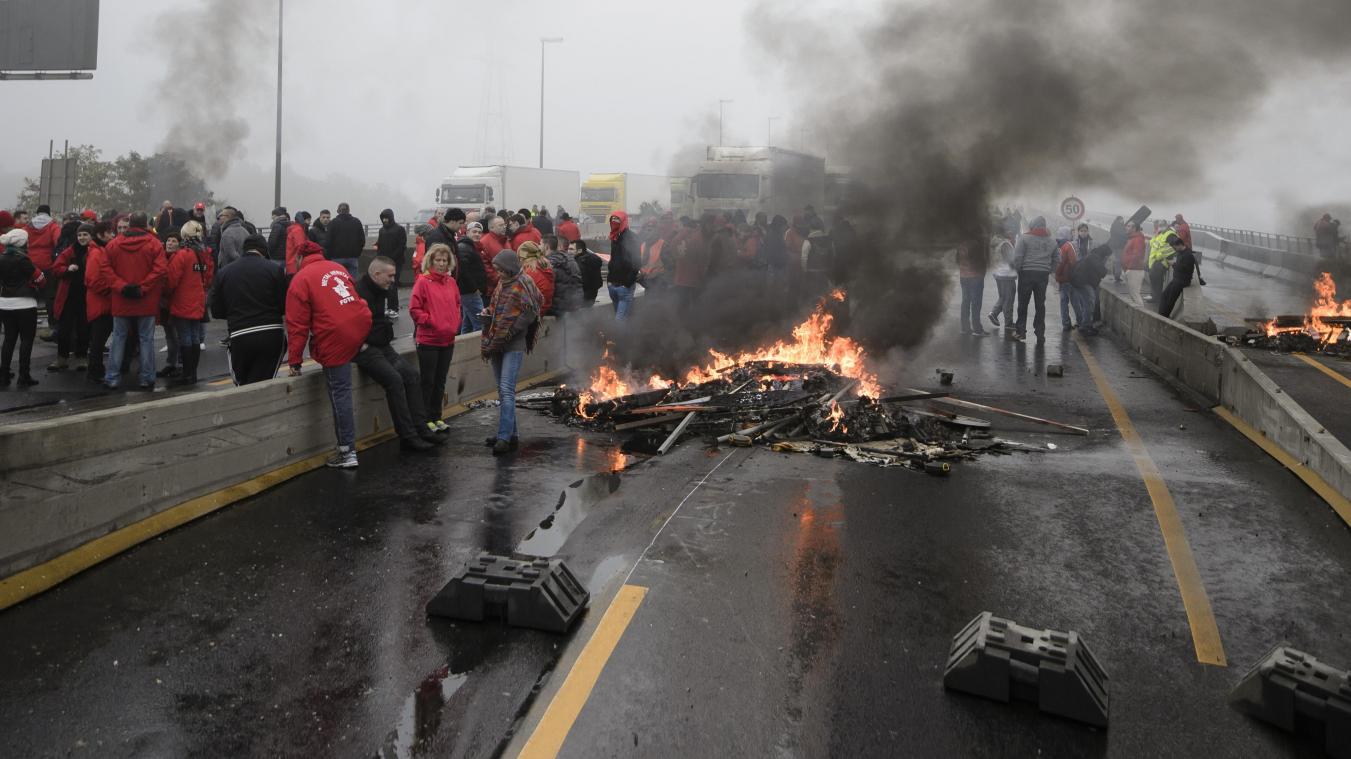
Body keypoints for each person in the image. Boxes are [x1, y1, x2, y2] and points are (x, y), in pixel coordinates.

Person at [286, 239, 372, 469]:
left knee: (339, 392)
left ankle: (347, 451)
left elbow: (297, 325)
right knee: (348, 357)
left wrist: (294, 361)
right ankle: (359, 347)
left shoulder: (300, 280)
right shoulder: (338, 267)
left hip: (335, 335)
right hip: (360, 324)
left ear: (299, 258)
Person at [355, 256, 443, 450]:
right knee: (394, 380)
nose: (393, 280)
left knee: (412, 376)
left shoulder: (381, 289)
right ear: (376, 274)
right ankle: (408, 436)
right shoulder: (359, 292)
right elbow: (347, 322)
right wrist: (360, 344)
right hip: (366, 348)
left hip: (382, 345)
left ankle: (422, 428)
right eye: (391, 276)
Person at [481, 250, 542, 455]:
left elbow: (531, 310)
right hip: (497, 340)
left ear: (509, 267)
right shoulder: (502, 283)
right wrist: (488, 314)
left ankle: (504, 437)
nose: (498, 273)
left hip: (513, 343)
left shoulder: (523, 283)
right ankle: (510, 434)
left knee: (507, 390)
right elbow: (495, 307)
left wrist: (512, 329)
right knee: (501, 390)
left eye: (500, 269)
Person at [210, 235, 289, 385]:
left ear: (243, 250)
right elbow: (285, 304)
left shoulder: (224, 272)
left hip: (240, 333)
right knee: (264, 383)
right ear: (264, 250)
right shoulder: (274, 269)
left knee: (242, 385)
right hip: (271, 332)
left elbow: (216, 310)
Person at [102, 212, 168, 390]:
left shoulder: (114, 244)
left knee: (118, 338)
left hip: (121, 300)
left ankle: (112, 377)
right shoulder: (154, 244)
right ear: (146, 224)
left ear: (130, 224)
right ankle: (147, 377)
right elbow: (160, 269)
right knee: (146, 339)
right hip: (145, 300)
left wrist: (122, 286)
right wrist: (142, 287)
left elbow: (105, 269)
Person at [409, 244, 461, 432]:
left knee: (440, 381)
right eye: (437, 260)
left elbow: (457, 305)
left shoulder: (451, 282)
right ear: (430, 261)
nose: (441, 264)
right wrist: (430, 321)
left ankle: (436, 416)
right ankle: (424, 419)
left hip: (447, 339)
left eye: (444, 260)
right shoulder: (423, 282)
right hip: (429, 339)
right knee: (428, 381)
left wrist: (455, 322)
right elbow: (414, 309)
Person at [163, 225, 214, 386]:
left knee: (184, 337)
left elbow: (171, 280)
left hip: (182, 301)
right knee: (194, 337)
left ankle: (187, 374)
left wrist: (165, 293)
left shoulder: (183, 255)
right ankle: (193, 373)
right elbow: (209, 277)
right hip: (198, 301)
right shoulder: (205, 254)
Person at [48, 222, 97, 372]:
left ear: (91, 236)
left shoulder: (95, 251)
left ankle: (82, 358)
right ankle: (61, 358)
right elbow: (55, 268)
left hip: (87, 296)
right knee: (64, 329)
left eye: (85, 235)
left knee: (84, 329)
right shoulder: (70, 251)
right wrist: (67, 269)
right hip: (68, 296)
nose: (82, 238)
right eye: (80, 235)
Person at [0, 228, 44, 387]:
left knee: (9, 339)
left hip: (5, 303)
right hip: (25, 304)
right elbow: (39, 278)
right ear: (23, 242)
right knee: (26, 340)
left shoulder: (1, 258)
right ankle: (24, 376)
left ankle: (3, 374)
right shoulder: (23, 259)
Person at [1011, 215, 1057, 343]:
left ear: (1032, 225)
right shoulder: (1052, 241)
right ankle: (1040, 334)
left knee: (1023, 304)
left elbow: (1018, 258)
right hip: (1042, 275)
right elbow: (1057, 259)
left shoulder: (1024, 238)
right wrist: (1049, 269)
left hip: (1026, 274)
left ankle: (1020, 332)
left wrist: (1018, 270)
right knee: (1040, 305)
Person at [83, 222, 115, 383]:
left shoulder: (99, 250)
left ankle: (96, 369)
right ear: (100, 235)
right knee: (98, 339)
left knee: (99, 339)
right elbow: (93, 279)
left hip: (101, 302)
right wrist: (111, 291)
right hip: (101, 303)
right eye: (109, 233)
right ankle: (95, 370)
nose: (112, 235)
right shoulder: (96, 253)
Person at [455, 219, 489, 332]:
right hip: (470, 292)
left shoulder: (469, 246)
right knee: (480, 324)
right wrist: (474, 289)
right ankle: (476, 349)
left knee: (468, 323)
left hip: (468, 292)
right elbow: (463, 271)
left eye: (479, 232)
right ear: (467, 232)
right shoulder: (464, 247)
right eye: (474, 232)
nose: (477, 234)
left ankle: (463, 346)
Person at [1069, 244, 1110, 336]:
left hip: (1080, 281)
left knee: (1087, 302)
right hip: (1082, 282)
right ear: (1105, 254)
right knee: (1089, 303)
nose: (1107, 259)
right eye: (1107, 256)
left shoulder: (1093, 255)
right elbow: (1102, 272)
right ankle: (1085, 326)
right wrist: (1105, 268)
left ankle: (1085, 323)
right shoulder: (1095, 258)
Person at [1158, 234, 1201, 319]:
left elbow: (1186, 269)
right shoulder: (1180, 253)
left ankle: (1164, 317)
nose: (1174, 249)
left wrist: (1174, 264)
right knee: (1164, 295)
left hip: (1182, 281)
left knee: (1171, 300)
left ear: (1180, 245)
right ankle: (1161, 314)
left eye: (1175, 247)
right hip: (1177, 279)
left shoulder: (1188, 255)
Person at [606, 211, 640, 319]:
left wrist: (627, 283)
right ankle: (624, 335)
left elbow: (637, 262)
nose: (614, 222)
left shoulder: (631, 238)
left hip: (624, 286)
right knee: (620, 318)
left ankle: (621, 336)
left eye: (617, 220)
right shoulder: (614, 237)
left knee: (620, 320)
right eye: (612, 219)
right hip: (613, 284)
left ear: (623, 221)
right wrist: (609, 281)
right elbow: (613, 259)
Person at [987, 221, 1017, 334]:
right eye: (1009, 231)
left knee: (1003, 297)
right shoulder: (1005, 244)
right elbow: (1011, 260)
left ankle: (994, 314)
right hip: (1006, 274)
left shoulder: (997, 242)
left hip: (999, 273)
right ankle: (1008, 323)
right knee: (1008, 299)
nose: (1011, 233)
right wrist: (1020, 267)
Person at [375, 209, 408, 306]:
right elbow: (379, 245)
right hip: (384, 262)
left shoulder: (399, 229)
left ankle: (393, 307)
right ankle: (389, 307)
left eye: (386, 218)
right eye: (383, 218)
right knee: (385, 285)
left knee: (392, 285)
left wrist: (392, 258)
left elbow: (401, 246)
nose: (385, 220)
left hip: (396, 262)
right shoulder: (381, 230)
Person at [956, 237, 988, 336]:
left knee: (965, 301)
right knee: (976, 303)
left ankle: (965, 328)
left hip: (964, 276)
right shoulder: (977, 244)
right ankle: (977, 329)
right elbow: (982, 261)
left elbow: (957, 260)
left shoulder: (961, 244)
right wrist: (982, 273)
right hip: (976, 277)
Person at [544, 234, 583, 315]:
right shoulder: (570, 260)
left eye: (540, 244)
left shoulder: (551, 262)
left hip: (560, 307)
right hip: (575, 303)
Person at [325, 202, 365, 279]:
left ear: (338, 211)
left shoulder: (333, 223)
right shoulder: (357, 222)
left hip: (336, 258)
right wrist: (357, 254)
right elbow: (362, 241)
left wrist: (331, 255)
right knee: (352, 282)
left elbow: (328, 242)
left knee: (338, 282)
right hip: (353, 257)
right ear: (349, 210)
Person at [518, 241, 555, 314]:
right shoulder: (544, 266)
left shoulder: (530, 272)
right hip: (544, 307)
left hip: (534, 312)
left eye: (519, 257)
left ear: (523, 258)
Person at [1053, 225, 1077, 330]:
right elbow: (1073, 262)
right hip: (1068, 278)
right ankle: (1079, 321)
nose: (1072, 235)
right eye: (1070, 233)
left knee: (1063, 302)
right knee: (1075, 301)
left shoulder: (1058, 246)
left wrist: (1057, 274)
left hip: (1062, 278)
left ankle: (1066, 323)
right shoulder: (1068, 246)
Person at [1120, 220, 1148, 307]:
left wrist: (1129, 268)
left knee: (1135, 295)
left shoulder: (1138, 239)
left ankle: (1142, 315)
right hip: (1130, 269)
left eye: (1128, 226)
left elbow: (1137, 255)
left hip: (1134, 270)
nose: (1126, 227)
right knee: (1132, 295)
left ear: (1134, 228)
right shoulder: (1132, 238)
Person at [1147, 220, 1176, 304]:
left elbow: (1172, 248)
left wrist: (1160, 256)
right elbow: (1152, 243)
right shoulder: (1161, 233)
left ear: (1166, 225)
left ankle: (1156, 298)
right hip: (1155, 260)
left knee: (1157, 280)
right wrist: (1156, 235)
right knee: (1154, 278)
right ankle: (1155, 296)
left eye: (1161, 225)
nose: (1159, 227)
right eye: (1158, 225)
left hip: (1161, 261)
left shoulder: (1170, 234)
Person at [572, 238, 603, 305]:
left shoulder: (580, 262)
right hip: (592, 294)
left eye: (571, 249)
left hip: (582, 296)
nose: (568, 251)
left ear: (579, 250)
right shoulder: (591, 259)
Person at [1108, 215, 1128, 283]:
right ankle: (1117, 276)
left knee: (1117, 260)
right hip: (1119, 246)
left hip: (1114, 245)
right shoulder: (1119, 226)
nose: (1123, 221)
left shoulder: (1114, 225)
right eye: (1122, 219)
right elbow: (1123, 234)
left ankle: (1116, 275)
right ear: (1119, 220)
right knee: (1118, 261)